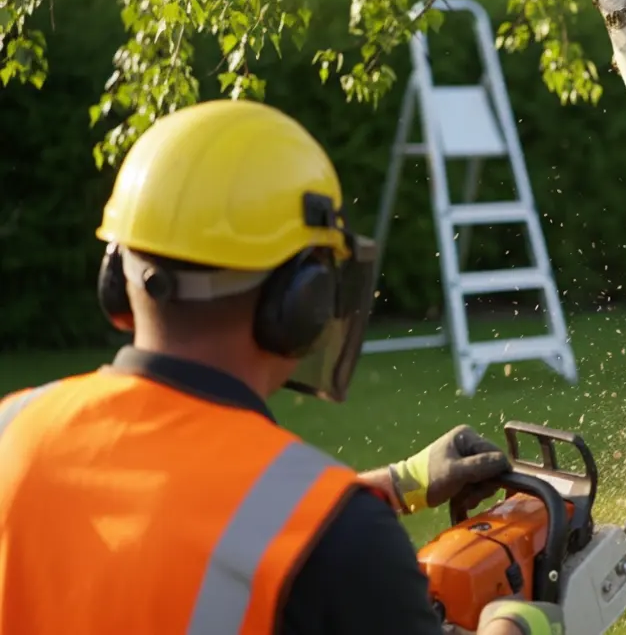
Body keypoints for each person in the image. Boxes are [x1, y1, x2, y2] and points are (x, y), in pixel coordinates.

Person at [0, 101, 565, 635]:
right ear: (304, 298)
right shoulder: (340, 546)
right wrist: (512, 625)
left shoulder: (13, 429)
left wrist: (393, 485)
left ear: (115, 270)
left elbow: (155, 525)